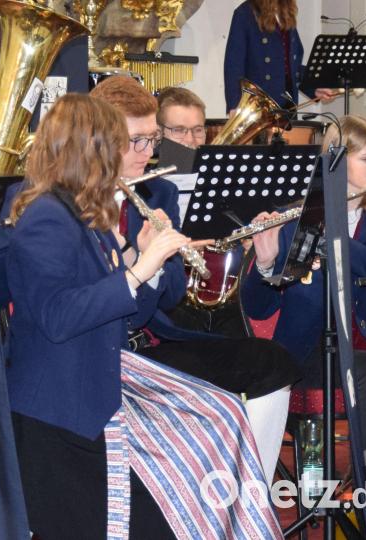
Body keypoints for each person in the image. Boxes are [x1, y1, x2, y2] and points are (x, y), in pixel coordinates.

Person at [5, 92, 279, 540]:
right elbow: (57, 316)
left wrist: (142, 256)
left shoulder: (86, 216)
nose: (139, 155)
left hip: (92, 391)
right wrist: (141, 267)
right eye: (121, 144)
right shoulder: (47, 217)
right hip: (58, 411)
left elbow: (119, 309)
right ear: (89, 150)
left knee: (211, 430)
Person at [86, 75, 299, 484]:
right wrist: (137, 261)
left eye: (151, 140)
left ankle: (246, 496)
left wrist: (152, 263)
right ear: (97, 138)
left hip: (149, 341)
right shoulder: (71, 199)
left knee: (270, 363)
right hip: (96, 353)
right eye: (137, 141)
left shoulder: (158, 193)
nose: (147, 154)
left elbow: (168, 296)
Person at [243, 115, 366, 538]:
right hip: (304, 353)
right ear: (336, 164)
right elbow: (257, 305)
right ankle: (362, 505)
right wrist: (266, 265)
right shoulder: (295, 217)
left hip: (365, 346)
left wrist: (342, 238)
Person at [155, 86, 251, 338]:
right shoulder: (148, 188)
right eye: (179, 130)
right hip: (173, 301)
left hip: (224, 296)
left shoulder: (227, 181)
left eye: (198, 130)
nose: (190, 139)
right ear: (158, 134)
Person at [224, 0, 337, 112]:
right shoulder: (245, 13)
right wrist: (234, 107)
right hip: (259, 107)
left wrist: (314, 87)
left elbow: (291, 67)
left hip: (288, 104)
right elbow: (233, 66)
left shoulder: (286, 13)